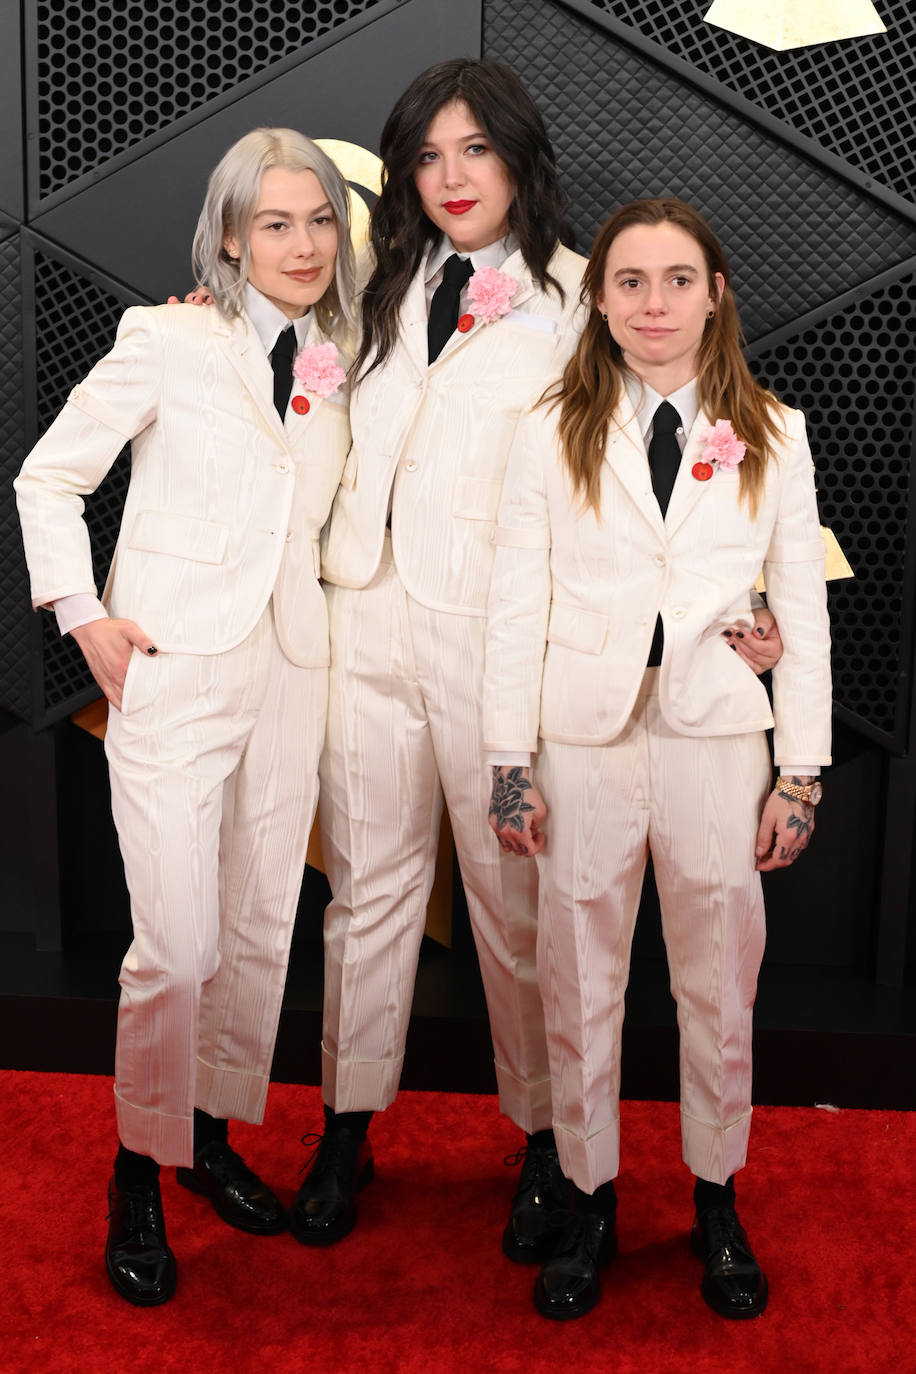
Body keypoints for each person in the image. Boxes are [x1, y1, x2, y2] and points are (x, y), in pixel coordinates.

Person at [14, 128, 356, 1305]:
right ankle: (136, 1173)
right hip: (168, 671)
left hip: (292, 672)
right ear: (226, 237)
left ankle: (206, 1138)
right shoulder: (162, 338)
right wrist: (81, 613)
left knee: (261, 931)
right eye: (275, 223)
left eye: (319, 219)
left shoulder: (343, 357)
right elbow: (49, 477)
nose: (303, 243)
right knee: (176, 948)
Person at [484, 198, 831, 1321]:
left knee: (718, 977)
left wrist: (801, 771)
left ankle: (715, 1195)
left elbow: (804, 625)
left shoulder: (774, 433)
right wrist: (507, 762)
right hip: (578, 735)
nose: (653, 304)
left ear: (715, 292)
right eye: (629, 282)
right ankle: (590, 1200)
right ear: (599, 298)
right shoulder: (548, 427)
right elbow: (513, 605)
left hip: (718, 737)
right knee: (579, 975)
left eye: (677, 280)